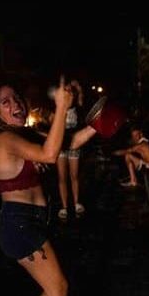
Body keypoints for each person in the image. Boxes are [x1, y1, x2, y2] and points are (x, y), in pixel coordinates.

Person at [0, 77, 74, 296]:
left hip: (30, 223)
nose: (15, 103)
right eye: (5, 102)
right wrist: (62, 107)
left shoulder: (20, 136)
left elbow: (66, 143)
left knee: (51, 289)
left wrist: (100, 125)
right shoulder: (5, 139)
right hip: (20, 225)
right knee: (59, 289)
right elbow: (50, 154)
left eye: (16, 98)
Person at [52, 80, 85, 219]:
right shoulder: (59, 108)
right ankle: (64, 207)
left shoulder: (77, 106)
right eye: (67, 91)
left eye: (71, 91)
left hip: (73, 145)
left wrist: (79, 87)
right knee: (62, 177)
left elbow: (81, 99)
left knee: (74, 175)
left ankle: (77, 203)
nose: (69, 93)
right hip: (61, 146)